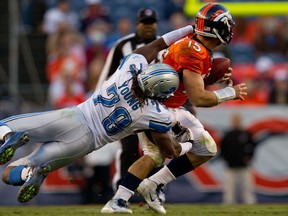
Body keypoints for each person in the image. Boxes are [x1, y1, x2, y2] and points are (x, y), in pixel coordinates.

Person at [0, 25, 195, 204]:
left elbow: (158, 44)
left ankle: (13, 137)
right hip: (86, 142)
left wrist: (190, 29)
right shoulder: (156, 113)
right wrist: (188, 144)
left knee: (5, 126)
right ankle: (29, 173)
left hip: (74, 118)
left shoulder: (129, 70)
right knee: (11, 173)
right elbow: (170, 151)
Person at [101, 3, 247, 214]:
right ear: (214, 28)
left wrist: (211, 76)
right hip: (157, 108)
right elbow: (198, 98)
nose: (229, 30)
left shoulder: (198, 47)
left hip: (170, 107)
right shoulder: (193, 50)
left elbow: (187, 81)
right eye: (226, 25)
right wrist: (230, 93)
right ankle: (119, 200)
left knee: (202, 149)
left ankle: (149, 186)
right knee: (158, 154)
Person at [97, 8, 162, 191]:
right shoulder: (122, 45)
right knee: (129, 150)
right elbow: (107, 75)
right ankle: (122, 190)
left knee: (158, 148)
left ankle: (155, 190)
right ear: (137, 24)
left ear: (156, 24)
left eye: (151, 23)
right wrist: (101, 101)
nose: (148, 27)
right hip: (127, 105)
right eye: (144, 23)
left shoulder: (168, 44)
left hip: (156, 106)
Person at [220, 112, 257, 204]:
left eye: (237, 120)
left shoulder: (246, 134)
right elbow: (223, 149)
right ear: (232, 121)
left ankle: (249, 202)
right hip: (231, 166)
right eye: (234, 120)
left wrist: (249, 158)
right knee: (229, 187)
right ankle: (228, 202)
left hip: (244, 165)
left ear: (240, 121)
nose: (236, 122)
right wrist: (226, 159)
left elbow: (252, 147)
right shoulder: (228, 135)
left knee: (247, 186)